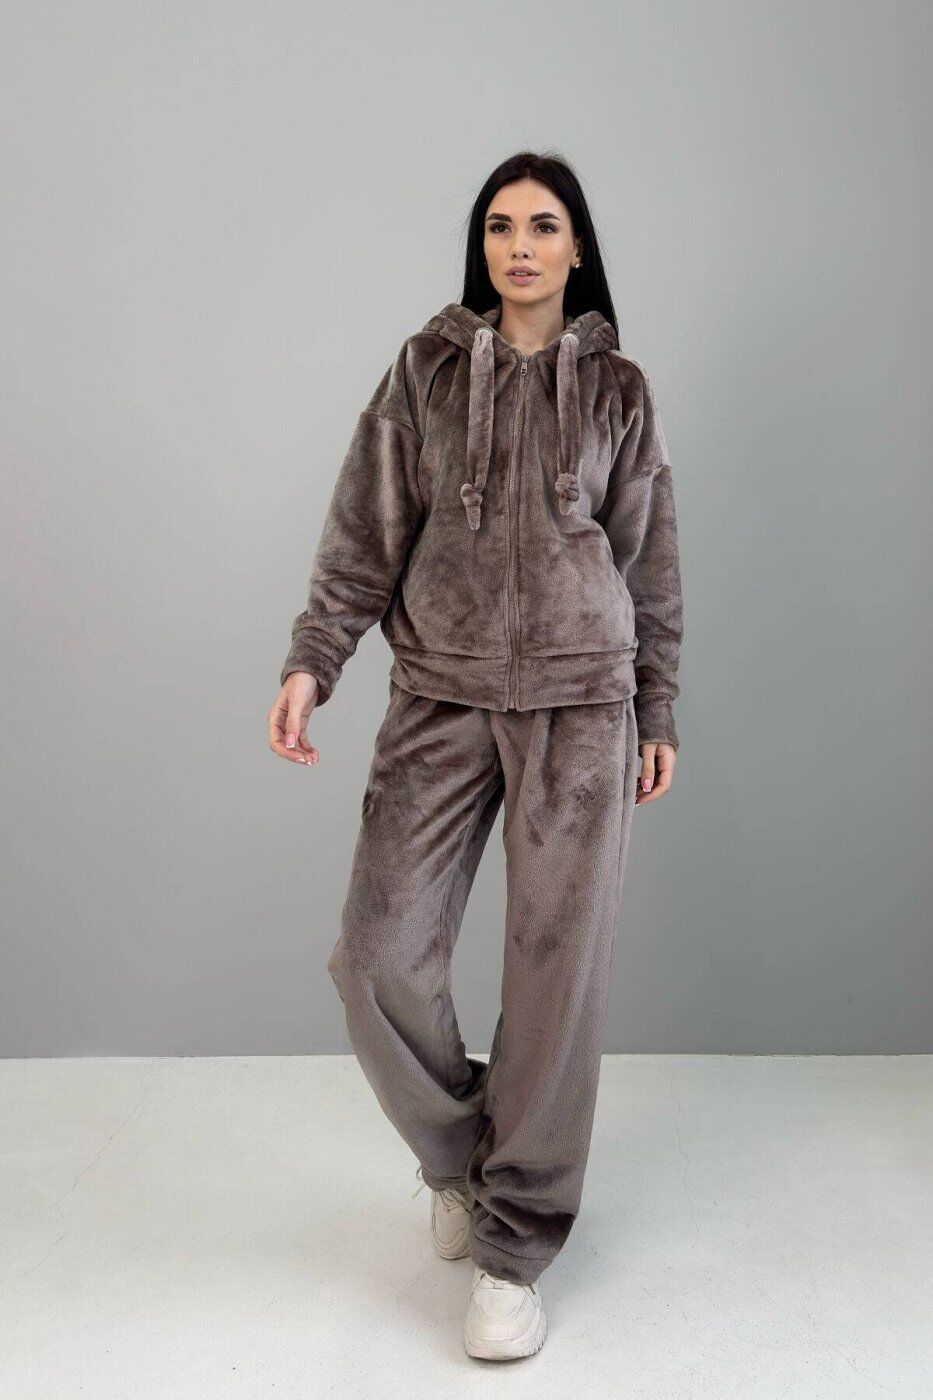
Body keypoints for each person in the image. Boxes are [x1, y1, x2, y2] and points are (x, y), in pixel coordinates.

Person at [267, 149, 684, 1361]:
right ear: (482, 244)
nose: (520, 246)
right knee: (376, 958)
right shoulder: (427, 369)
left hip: (583, 708)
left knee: (556, 983)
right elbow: (364, 531)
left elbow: (649, 557)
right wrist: (314, 659)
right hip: (439, 697)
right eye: (500, 225)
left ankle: (513, 1250)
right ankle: (462, 1158)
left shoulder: (619, 389)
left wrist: (657, 707)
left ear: (576, 246)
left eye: (543, 226)